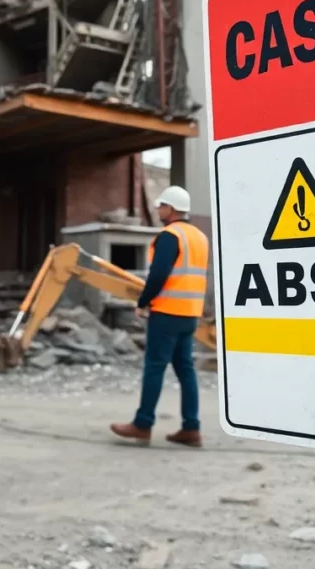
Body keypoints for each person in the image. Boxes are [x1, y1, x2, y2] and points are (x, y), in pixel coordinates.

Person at [110, 185, 208, 447]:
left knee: (154, 367)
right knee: (186, 371)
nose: (158, 210)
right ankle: (191, 428)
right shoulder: (199, 237)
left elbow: (159, 274)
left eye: (161, 206)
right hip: (190, 315)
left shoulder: (170, 235)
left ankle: (142, 424)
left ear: (171, 208)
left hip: (167, 313)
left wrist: (143, 302)